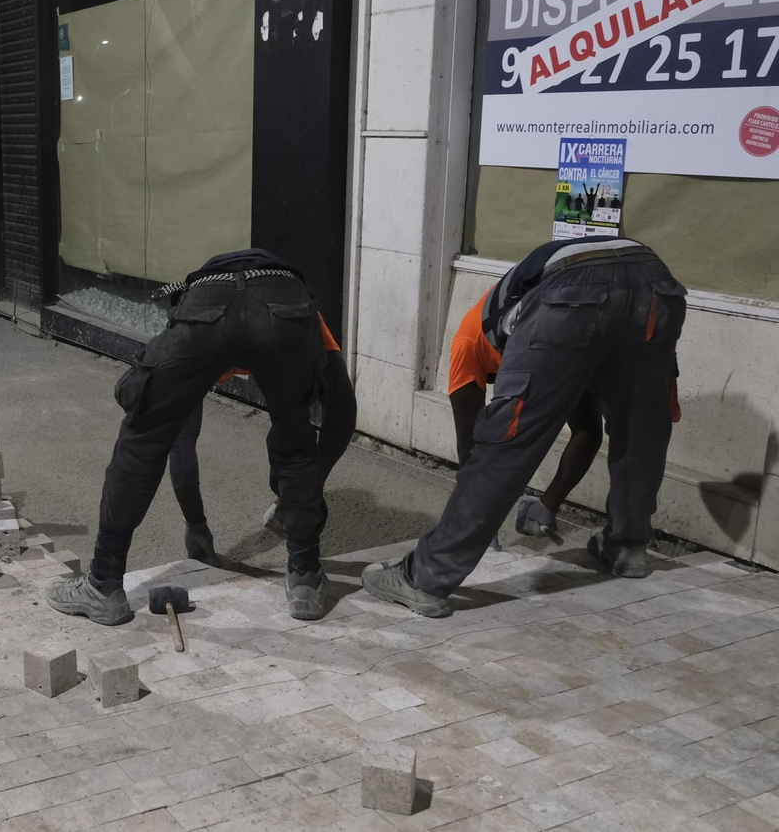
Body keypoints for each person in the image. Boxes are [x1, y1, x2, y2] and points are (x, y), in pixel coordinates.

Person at [363, 238, 686, 618]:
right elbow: (588, 429)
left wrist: (527, 504)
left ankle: (424, 578)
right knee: (642, 428)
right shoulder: (516, 336)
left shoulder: (470, 340)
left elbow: (477, 448)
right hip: (655, 283)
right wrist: (538, 503)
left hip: (576, 290)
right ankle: (628, 546)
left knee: (504, 440)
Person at [48, 249, 348, 623]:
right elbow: (343, 412)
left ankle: (103, 585)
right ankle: (305, 578)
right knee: (297, 435)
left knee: (141, 436)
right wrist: (199, 523)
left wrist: (195, 522)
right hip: (282, 306)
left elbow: (174, 439)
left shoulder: (197, 323)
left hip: (213, 307)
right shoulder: (303, 317)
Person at [169, 313, 355, 574]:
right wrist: (194, 519)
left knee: (293, 426)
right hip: (259, 330)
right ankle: (301, 555)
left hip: (271, 331)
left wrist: (194, 521)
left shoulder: (292, 318)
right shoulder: (196, 331)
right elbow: (343, 410)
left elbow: (342, 410)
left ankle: (302, 562)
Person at [448, 287, 603, 543]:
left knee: (493, 437)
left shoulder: (468, 344)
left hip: (552, 333)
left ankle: (478, 529)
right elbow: (589, 432)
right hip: (584, 325)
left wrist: (477, 518)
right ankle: (544, 511)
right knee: (588, 428)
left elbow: (469, 444)